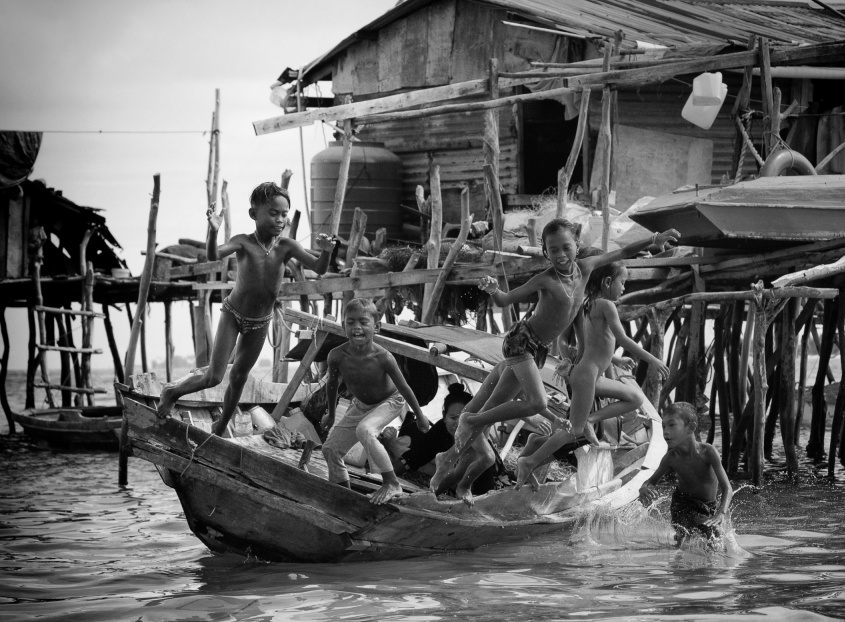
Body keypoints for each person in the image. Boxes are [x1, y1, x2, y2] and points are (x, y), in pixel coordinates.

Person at [449, 218, 678, 499]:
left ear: (577, 247)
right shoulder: (548, 279)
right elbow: (505, 300)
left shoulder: (585, 271)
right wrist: (492, 288)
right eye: (553, 250)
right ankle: (490, 434)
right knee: (544, 408)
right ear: (545, 252)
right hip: (524, 343)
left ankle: (457, 464)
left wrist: (653, 240)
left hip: (546, 353)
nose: (560, 255)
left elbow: (621, 254)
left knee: (526, 406)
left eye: (566, 248)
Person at [157, 182, 335, 434]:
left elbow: (319, 268)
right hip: (233, 315)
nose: (280, 219)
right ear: (254, 214)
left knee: (239, 378)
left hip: (260, 322)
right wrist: (213, 231)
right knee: (214, 377)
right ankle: (172, 392)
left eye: (284, 214)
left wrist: (327, 251)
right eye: (273, 213)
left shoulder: (287, 247)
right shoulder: (243, 242)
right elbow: (212, 255)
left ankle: (219, 427)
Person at [515, 260, 670, 489]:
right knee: (574, 431)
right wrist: (653, 359)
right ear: (608, 282)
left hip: (591, 376)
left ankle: (585, 422)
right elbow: (624, 339)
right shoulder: (606, 305)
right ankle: (530, 461)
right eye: (623, 282)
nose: (624, 288)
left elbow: (594, 342)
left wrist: (615, 359)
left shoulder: (586, 304)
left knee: (635, 398)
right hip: (586, 377)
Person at [321, 297, 431, 504]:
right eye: (350, 322)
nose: (357, 327)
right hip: (361, 406)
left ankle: (392, 483)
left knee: (365, 430)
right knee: (330, 449)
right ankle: (344, 494)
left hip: (390, 401)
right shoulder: (336, 356)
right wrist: (331, 414)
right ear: (343, 325)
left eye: (363, 322)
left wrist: (420, 416)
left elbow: (404, 387)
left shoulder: (384, 357)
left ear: (376, 327)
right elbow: (332, 385)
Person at [638, 401, 733, 546]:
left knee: (707, 541)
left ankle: (684, 560)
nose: (665, 431)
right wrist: (644, 488)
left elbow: (727, 488)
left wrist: (721, 512)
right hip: (682, 505)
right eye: (663, 426)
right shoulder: (671, 458)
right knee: (713, 534)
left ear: (691, 428)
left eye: (672, 425)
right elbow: (651, 481)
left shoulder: (708, 452)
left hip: (708, 506)